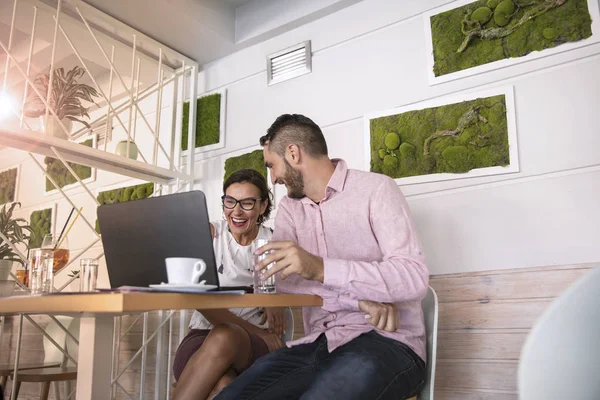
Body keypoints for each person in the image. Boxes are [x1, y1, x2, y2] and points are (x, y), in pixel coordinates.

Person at [216, 114, 429, 400]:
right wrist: (356, 299)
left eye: (272, 165)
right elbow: (279, 280)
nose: (273, 178)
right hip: (319, 344)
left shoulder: (377, 190)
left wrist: (321, 269)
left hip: (389, 343)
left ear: (293, 153)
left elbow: (413, 277)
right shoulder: (291, 209)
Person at [172, 169, 287, 400]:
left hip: (252, 346)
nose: (236, 211)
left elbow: (297, 285)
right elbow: (200, 302)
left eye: (247, 203)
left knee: (226, 335)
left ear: (263, 206)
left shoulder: (274, 242)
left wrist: (276, 296)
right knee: (223, 385)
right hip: (202, 338)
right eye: (230, 201)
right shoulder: (208, 234)